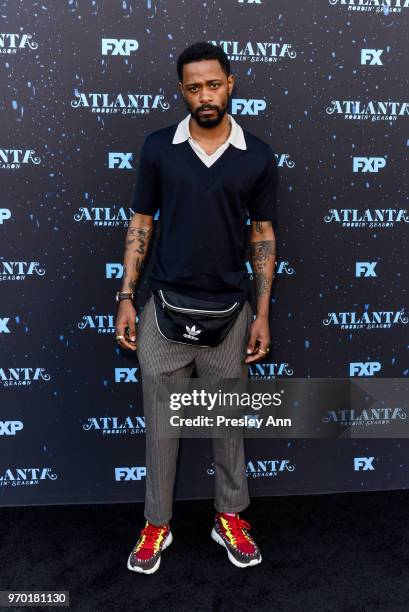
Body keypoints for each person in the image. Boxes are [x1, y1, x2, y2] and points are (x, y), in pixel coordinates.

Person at [114, 41, 278, 574]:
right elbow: (141, 224)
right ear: (181, 90)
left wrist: (262, 313)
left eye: (213, 84)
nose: (204, 96)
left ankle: (229, 516)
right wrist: (125, 298)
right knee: (161, 426)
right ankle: (156, 524)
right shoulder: (159, 146)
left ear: (231, 82)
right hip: (162, 307)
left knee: (227, 424)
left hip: (230, 312)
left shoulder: (258, 155)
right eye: (193, 86)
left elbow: (262, 235)